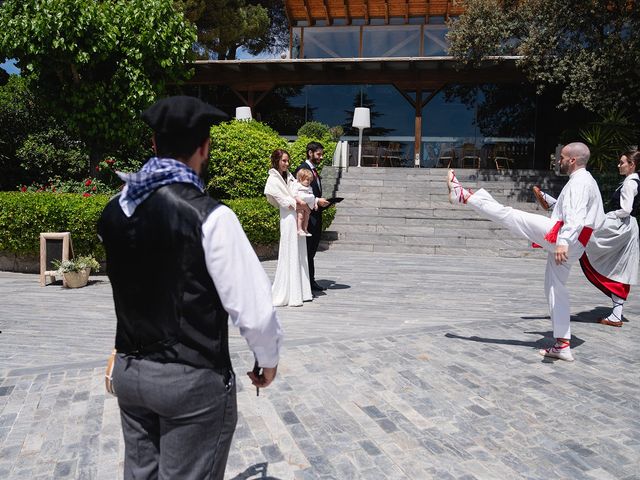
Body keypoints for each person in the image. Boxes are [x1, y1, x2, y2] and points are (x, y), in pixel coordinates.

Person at [97, 96, 283, 480]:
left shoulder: (115, 210)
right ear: (204, 147)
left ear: (153, 144)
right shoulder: (211, 217)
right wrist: (268, 360)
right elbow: (255, 310)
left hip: (131, 373)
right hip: (190, 381)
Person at [447, 142, 605, 362]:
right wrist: (551, 204)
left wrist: (563, 242)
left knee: (511, 216)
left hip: (565, 237)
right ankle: (563, 344)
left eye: (562, 157)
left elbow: (576, 215)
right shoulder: (586, 181)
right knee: (554, 287)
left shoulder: (580, 182)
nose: (558, 160)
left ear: (573, 160)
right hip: (575, 241)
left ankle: (464, 195)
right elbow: (575, 210)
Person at [534, 149, 640, 327]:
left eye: (622, 162)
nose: (619, 165)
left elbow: (626, 210)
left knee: (588, 231)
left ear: (632, 165)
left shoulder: (630, 183)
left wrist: (610, 215)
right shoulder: (632, 181)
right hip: (626, 227)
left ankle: (554, 203)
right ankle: (616, 314)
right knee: (616, 267)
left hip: (621, 225)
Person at [264, 149, 313, 306]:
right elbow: (282, 201)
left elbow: (297, 191)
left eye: (287, 161)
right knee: (289, 251)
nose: (287, 163)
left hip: (297, 216)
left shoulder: (290, 176)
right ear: (277, 161)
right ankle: (289, 293)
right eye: (284, 161)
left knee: (300, 251)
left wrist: (307, 201)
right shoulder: (272, 180)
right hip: (287, 218)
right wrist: (299, 203)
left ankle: (302, 291)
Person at [295, 142, 330, 292]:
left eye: (322, 154)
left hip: (316, 214)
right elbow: (299, 193)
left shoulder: (314, 171)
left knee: (312, 250)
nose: (321, 157)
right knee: (308, 250)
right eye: (318, 154)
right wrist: (316, 201)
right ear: (310, 153)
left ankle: (310, 280)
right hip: (308, 216)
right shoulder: (303, 169)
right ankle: (307, 282)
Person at [293, 169, 316, 236]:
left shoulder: (309, 187)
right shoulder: (297, 185)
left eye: (310, 180)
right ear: (300, 179)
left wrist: (314, 204)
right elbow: (294, 195)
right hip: (300, 204)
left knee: (307, 217)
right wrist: (299, 201)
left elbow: (312, 197)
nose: (308, 182)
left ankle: (305, 229)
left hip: (307, 204)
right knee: (300, 216)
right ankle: (299, 229)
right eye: (307, 180)